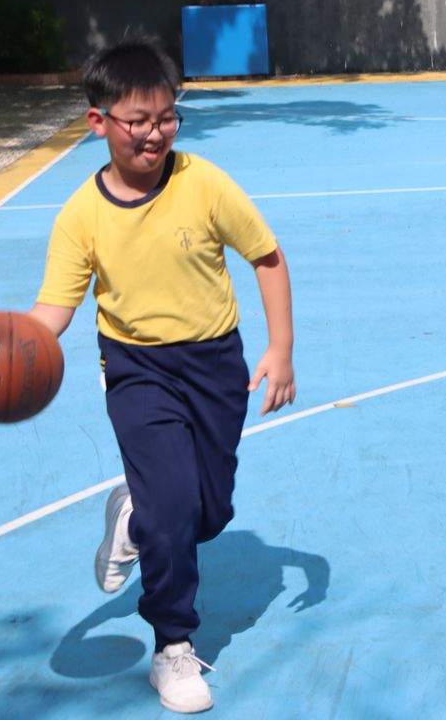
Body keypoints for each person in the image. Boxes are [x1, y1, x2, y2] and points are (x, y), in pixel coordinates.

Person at [29, 40, 296, 713]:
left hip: (215, 364)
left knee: (208, 513)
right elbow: (54, 308)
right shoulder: (81, 215)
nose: (154, 133)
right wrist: (17, 342)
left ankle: (134, 514)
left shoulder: (203, 183)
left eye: (166, 118)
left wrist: (281, 347)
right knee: (173, 511)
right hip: (137, 368)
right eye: (137, 121)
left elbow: (266, 255)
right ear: (99, 123)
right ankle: (173, 644)